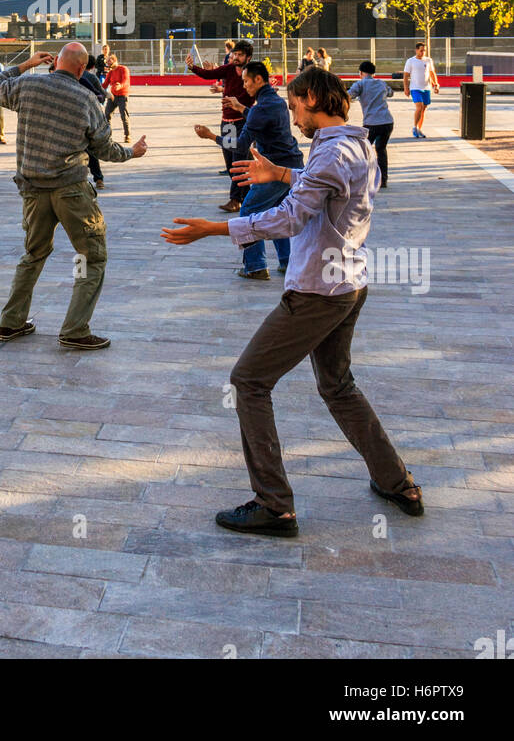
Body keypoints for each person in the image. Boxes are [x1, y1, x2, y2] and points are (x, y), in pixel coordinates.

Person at [161, 66, 423, 538]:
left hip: (316, 293)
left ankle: (274, 505)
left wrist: (215, 229)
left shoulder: (329, 154)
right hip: (348, 284)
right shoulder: (356, 143)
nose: (293, 114)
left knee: (249, 380)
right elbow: (324, 183)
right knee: (338, 386)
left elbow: (289, 217)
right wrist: (280, 171)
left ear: (313, 100)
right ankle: (397, 482)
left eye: (296, 104)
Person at [0, 42, 148, 350]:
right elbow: (104, 150)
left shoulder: (29, 85)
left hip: (33, 189)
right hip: (71, 191)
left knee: (33, 254)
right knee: (91, 256)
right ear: (82, 69)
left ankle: (11, 322)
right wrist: (132, 152)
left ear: (55, 62)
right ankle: (74, 328)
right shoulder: (86, 99)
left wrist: (26, 64)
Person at [194, 60, 304, 280]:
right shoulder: (275, 101)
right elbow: (258, 118)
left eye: (246, 81)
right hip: (292, 164)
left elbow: (240, 144)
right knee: (275, 211)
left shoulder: (260, 109)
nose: (244, 86)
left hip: (272, 169)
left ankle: (255, 266)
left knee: (248, 213)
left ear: (258, 79)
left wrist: (211, 136)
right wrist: (242, 108)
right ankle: (287, 261)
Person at [185, 40, 254, 210]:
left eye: (240, 55)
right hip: (227, 122)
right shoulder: (229, 69)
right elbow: (210, 75)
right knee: (231, 164)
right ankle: (248, 196)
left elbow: (256, 90)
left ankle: (235, 200)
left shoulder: (253, 72)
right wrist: (193, 67)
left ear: (248, 57)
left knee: (239, 162)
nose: (236, 57)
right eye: (235, 54)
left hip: (243, 123)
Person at [347, 60, 394, 189]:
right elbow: (390, 93)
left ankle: (363, 179)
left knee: (363, 151)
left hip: (371, 123)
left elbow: (349, 95)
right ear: (373, 72)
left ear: (360, 73)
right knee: (381, 149)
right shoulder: (381, 83)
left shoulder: (360, 84)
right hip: (387, 122)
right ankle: (383, 180)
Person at [80, 54, 108, 189]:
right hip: (89, 117)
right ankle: (98, 179)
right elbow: (101, 95)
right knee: (91, 149)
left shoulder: (67, 77)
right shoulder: (90, 78)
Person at [403, 41, 440, 139]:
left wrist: (435, 84)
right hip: (415, 88)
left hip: (426, 88)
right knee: (419, 107)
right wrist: (406, 88)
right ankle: (414, 127)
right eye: (421, 50)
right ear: (416, 50)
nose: (423, 52)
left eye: (424, 51)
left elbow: (432, 73)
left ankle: (420, 128)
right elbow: (406, 76)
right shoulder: (410, 61)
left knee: (423, 110)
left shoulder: (428, 60)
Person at [103, 52, 131, 143]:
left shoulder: (123, 69)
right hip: (113, 96)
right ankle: (108, 136)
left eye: (109, 62)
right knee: (107, 114)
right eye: (107, 62)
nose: (108, 64)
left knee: (124, 115)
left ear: (115, 60)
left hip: (123, 95)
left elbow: (125, 80)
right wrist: (95, 89)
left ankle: (127, 135)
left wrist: (120, 86)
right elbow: (105, 84)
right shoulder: (110, 72)